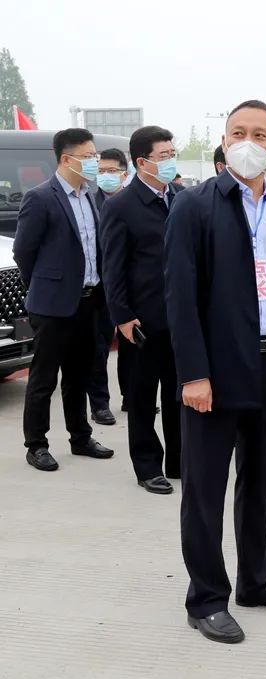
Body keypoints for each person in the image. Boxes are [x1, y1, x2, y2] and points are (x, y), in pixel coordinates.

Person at [165, 100, 266, 645]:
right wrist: (193, 374)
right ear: (224, 141)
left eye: (261, 135)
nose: (249, 142)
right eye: (238, 132)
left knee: (258, 483)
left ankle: (256, 580)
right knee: (205, 490)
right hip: (216, 371)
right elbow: (179, 298)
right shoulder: (194, 206)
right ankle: (206, 599)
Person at [13, 128, 115, 472]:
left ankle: (80, 437)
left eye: (95, 156)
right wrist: (44, 286)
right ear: (66, 159)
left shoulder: (90, 196)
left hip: (88, 300)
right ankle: (36, 444)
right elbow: (23, 251)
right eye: (89, 157)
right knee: (44, 378)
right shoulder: (41, 198)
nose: (94, 162)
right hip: (52, 305)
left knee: (79, 375)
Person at [100, 126, 182, 495]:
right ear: (141, 162)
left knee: (179, 395)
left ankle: (180, 460)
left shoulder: (181, 199)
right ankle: (147, 467)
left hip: (180, 317)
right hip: (142, 321)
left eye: (172, 154)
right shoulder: (121, 206)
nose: (170, 161)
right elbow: (112, 267)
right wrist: (122, 316)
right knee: (143, 398)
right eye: (163, 156)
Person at [88, 147, 131, 426]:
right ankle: (100, 404)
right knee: (99, 347)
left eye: (111, 171)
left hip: (131, 287)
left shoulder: (133, 202)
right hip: (100, 288)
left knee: (132, 345)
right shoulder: (90, 203)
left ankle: (131, 395)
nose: (106, 176)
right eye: (101, 171)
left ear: (124, 174)